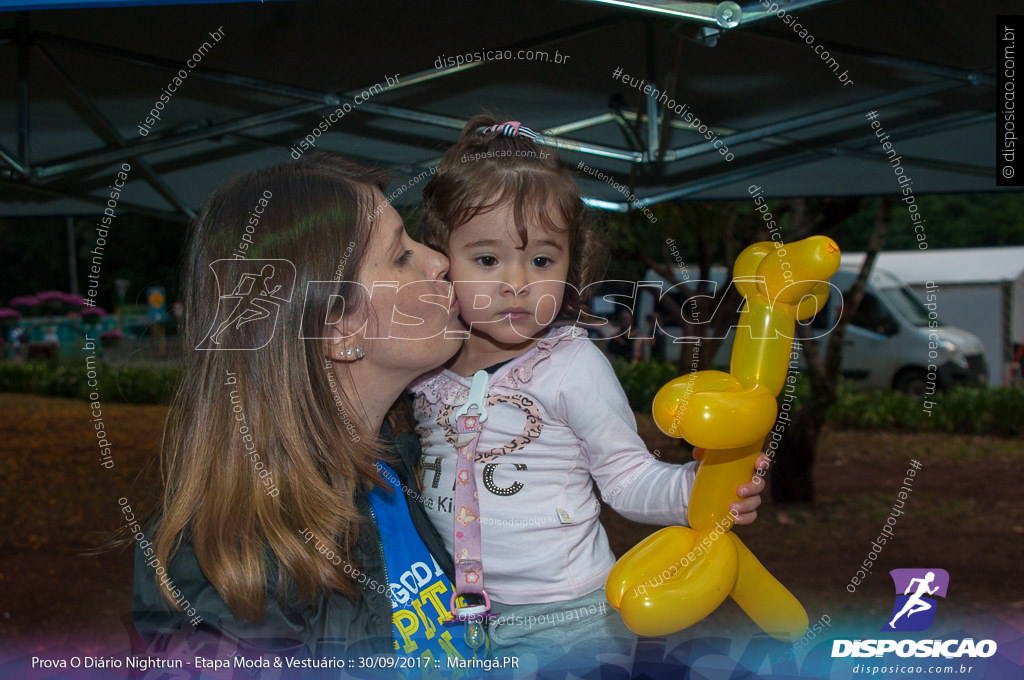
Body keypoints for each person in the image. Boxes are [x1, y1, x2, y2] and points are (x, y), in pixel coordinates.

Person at [409, 116, 768, 672]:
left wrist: (701, 489)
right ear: (440, 259)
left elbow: (626, 477)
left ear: (572, 265)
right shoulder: (424, 362)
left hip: (567, 619)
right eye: (487, 259)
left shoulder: (572, 364)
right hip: (444, 615)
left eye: (542, 260)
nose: (518, 281)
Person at [131, 152, 477, 672]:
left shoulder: (404, 470)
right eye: (401, 255)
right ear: (338, 331)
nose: (439, 260)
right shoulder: (230, 570)